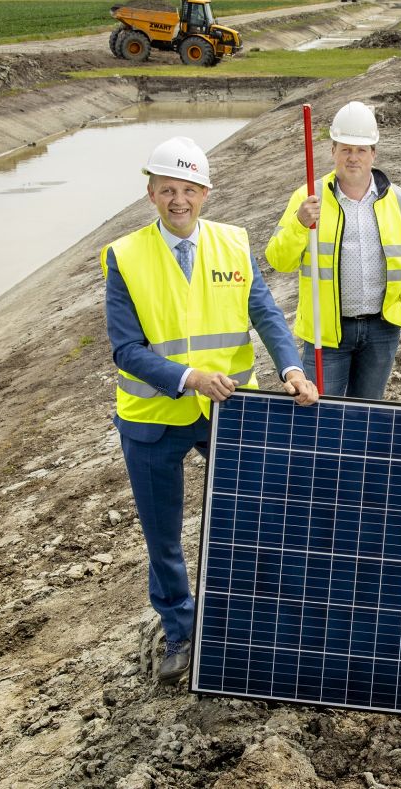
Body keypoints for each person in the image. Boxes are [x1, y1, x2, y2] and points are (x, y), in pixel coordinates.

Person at [101, 136, 319, 683]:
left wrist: (292, 369)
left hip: (229, 413)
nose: (180, 200)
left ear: (206, 193)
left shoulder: (233, 245)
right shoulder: (125, 257)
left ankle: (253, 615)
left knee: (255, 517)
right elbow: (126, 350)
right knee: (164, 537)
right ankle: (180, 630)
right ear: (151, 193)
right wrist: (189, 378)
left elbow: (267, 315)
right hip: (154, 422)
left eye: (190, 189)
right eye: (168, 190)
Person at [266, 101, 401, 399]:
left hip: (382, 330)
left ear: (373, 153)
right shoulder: (308, 198)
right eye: (345, 149)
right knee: (319, 418)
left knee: (366, 418)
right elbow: (279, 261)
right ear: (333, 151)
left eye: (360, 150)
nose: (352, 157)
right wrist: (300, 224)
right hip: (326, 334)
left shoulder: (398, 201)